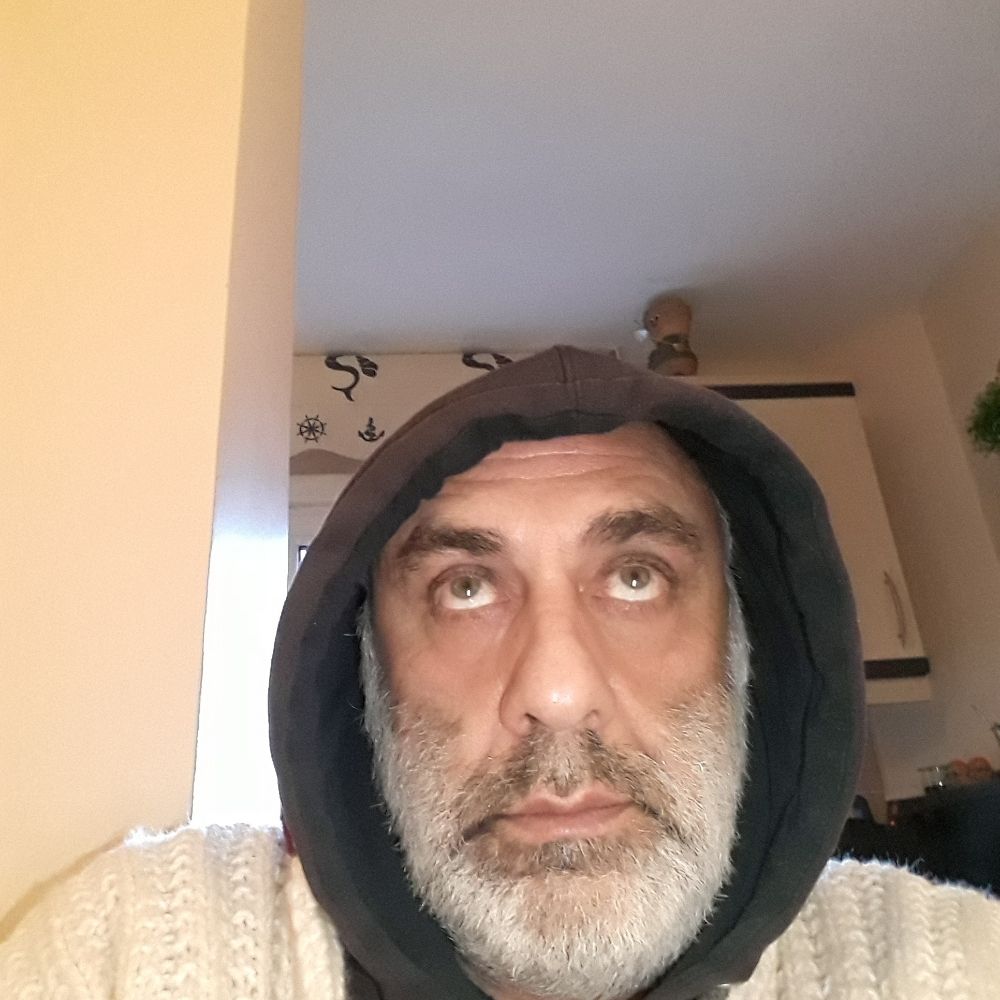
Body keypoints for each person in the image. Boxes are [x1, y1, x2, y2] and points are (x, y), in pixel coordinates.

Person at [2, 346, 998, 999]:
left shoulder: (948, 964)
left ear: (746, 653)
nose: (557, 691)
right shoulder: (127, 950)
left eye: (638, 577)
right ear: (368, 677)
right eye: (466, 587)